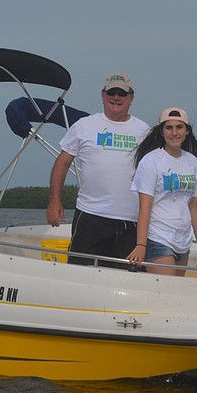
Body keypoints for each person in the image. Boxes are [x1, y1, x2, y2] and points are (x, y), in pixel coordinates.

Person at [47, 72, 150, 266]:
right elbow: (62, 162)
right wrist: (54, 200)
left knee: (127, 278)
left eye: (122, 93)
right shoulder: (84, 126)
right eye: (111, 92)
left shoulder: (144, 131)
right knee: (79, 273)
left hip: (131, 220)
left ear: (131, 98)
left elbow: (154, 173)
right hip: (90, 216)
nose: (116, 97)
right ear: (103, 96)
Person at [127, 107, 197, 275]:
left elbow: (194, 206)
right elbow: (145, 207)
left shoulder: (192, 162)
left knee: (176, 293)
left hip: (183, 241)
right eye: (169, 128)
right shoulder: (151, 161)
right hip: (158, 238)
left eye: (179, 127)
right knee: (166, 293)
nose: (174, 133)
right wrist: (141, 245)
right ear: (162, 132)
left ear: (187, 131)